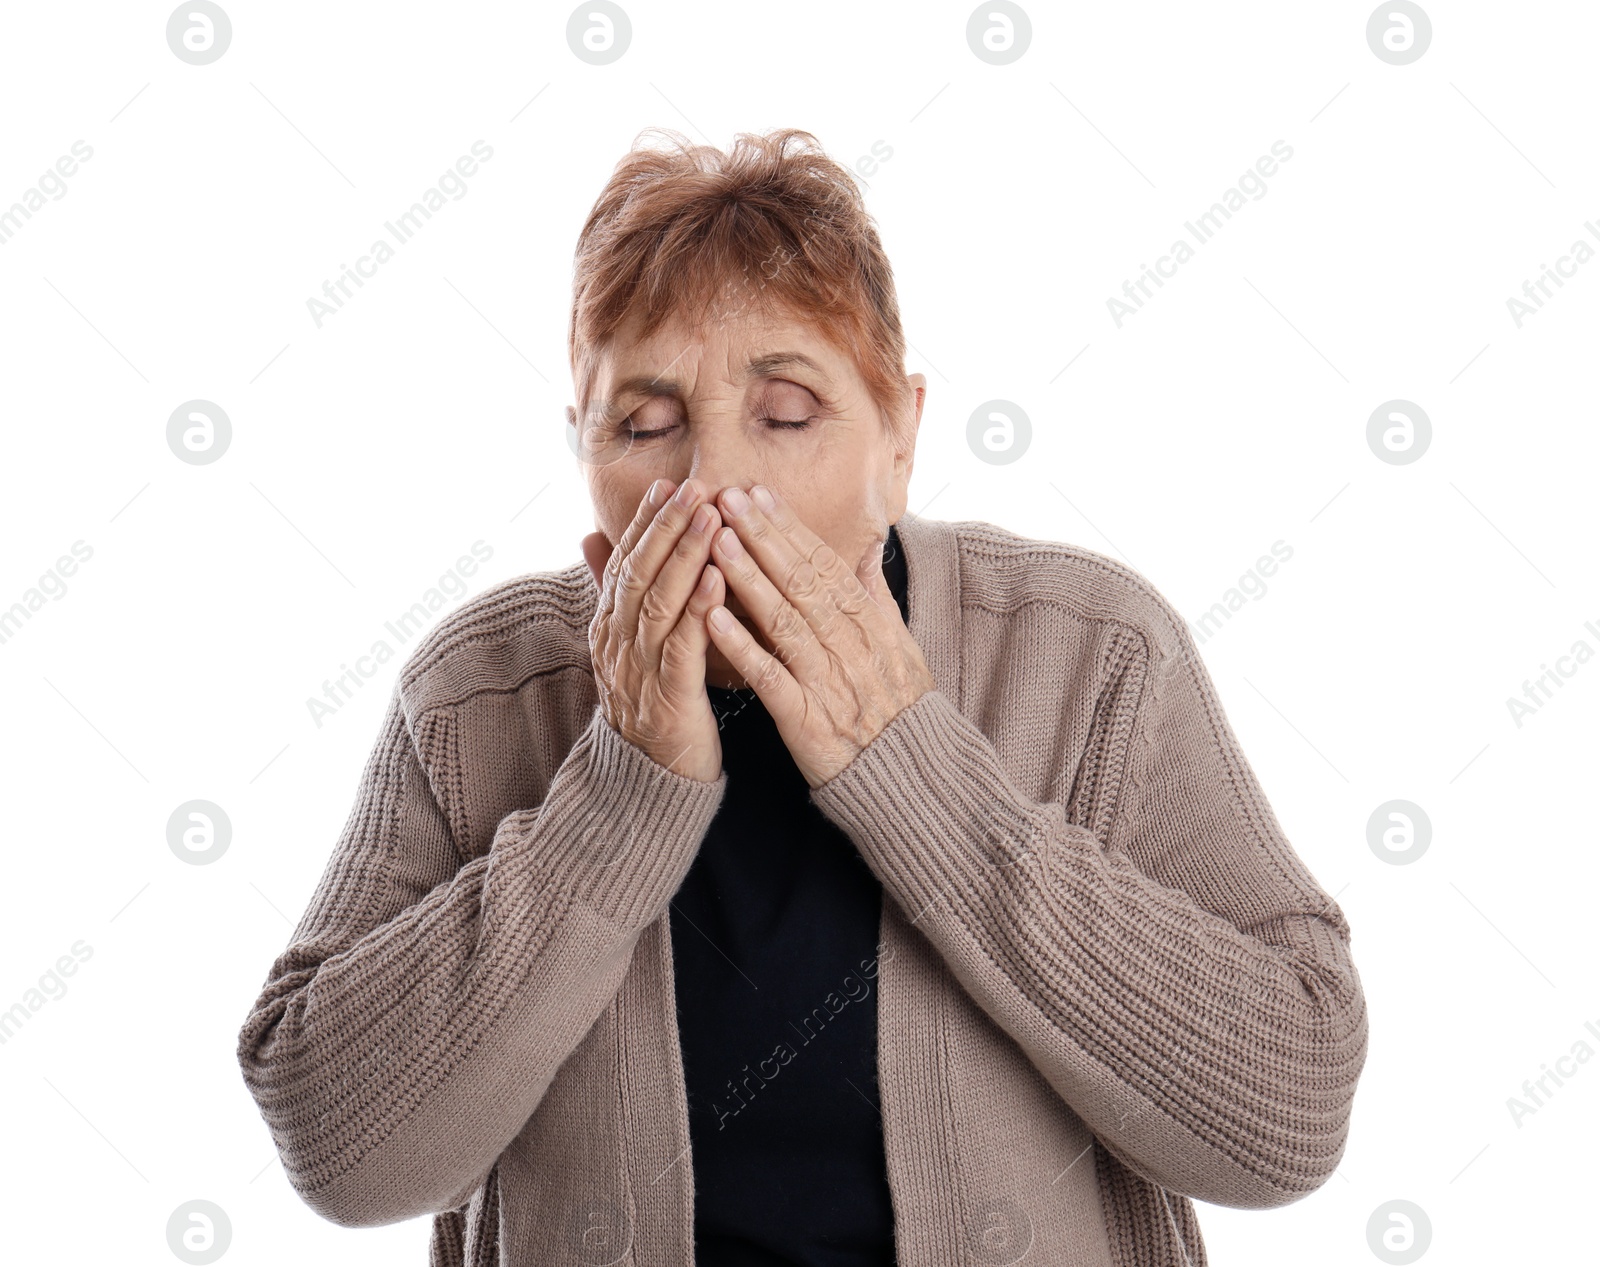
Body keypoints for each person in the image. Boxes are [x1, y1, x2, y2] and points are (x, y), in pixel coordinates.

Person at [237, 127, 1367, 1267]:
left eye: (785, 414)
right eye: (643, 424)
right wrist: (616, 801)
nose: (715, 481)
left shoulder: (1092, 653)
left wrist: (912, 772)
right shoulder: (477, 691)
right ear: (580, 446)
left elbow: (1288, 1119)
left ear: (900, 437)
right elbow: (342, 1154)